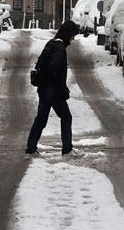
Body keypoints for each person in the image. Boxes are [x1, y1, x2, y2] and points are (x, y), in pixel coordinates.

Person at [25, 20, 83, 158]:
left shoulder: (51, 43)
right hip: (53, 91)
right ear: (67, 34)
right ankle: (67, 150)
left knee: (41, 119)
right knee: (66, 117)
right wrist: (62, 90)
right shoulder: (59, 48)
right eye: (72, 35)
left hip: (44, 89)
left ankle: (31, 149)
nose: (73, 39)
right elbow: (55, 71)